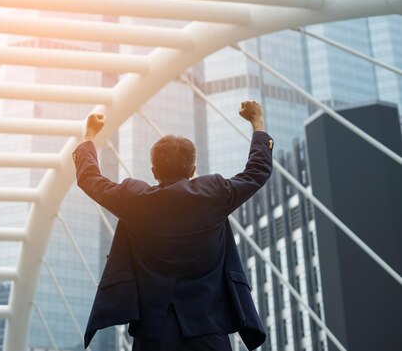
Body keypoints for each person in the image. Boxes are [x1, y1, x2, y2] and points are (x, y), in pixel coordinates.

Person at [72, 101, 273, 351]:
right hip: (209, 333)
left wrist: (89, 135)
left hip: (153, 336)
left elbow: (89, 178)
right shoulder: (214, 194)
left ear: (154, 171)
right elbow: (257, 171)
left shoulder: (134, 200)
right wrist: (257, 122)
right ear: (193, 169)